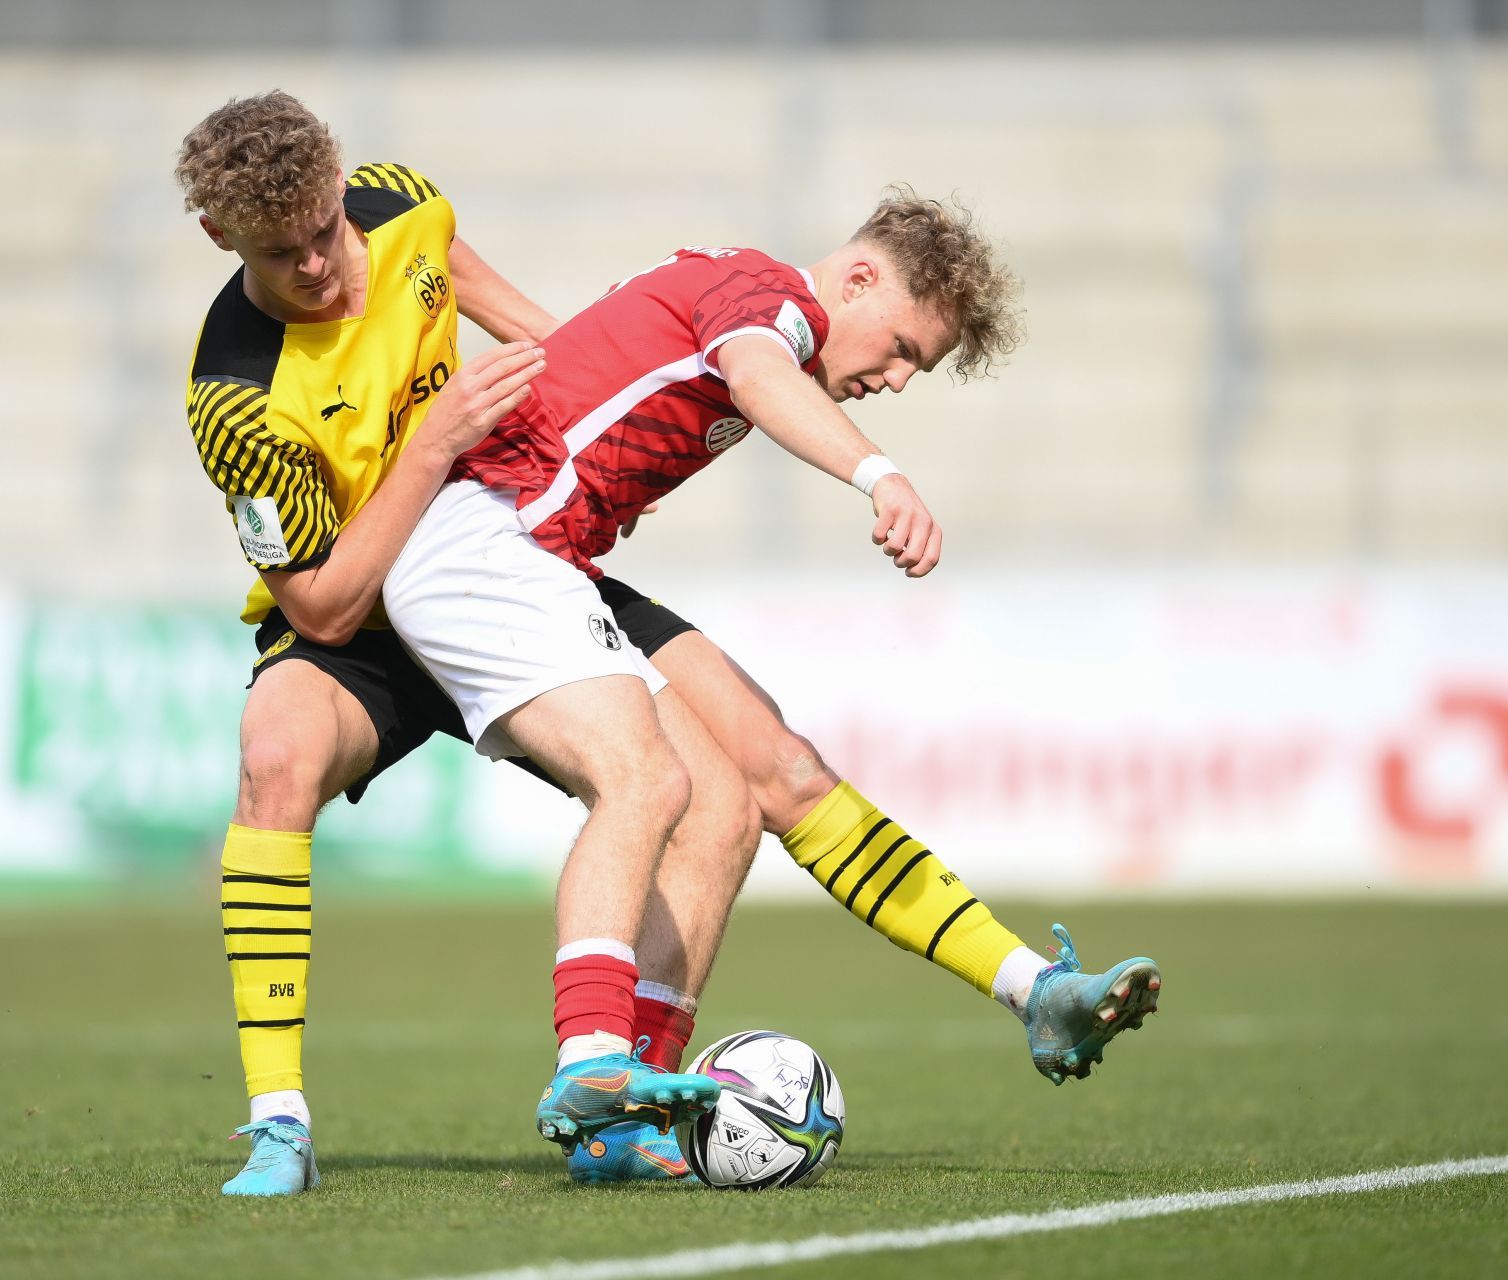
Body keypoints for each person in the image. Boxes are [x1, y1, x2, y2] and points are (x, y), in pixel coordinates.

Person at [377, 191, 1164, 1180]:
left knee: (766, 782)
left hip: (543, 552)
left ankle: (1030, 989)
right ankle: (592, 1063)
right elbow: (756, 375)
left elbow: (598, 349)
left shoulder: (733, 293)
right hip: (485, 542)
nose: (899, 378)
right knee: (655, 783)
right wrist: (881, 475)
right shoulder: (769, 301)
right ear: (861, 279)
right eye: (907, 348)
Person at [175, 92, 747, 1197]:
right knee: (274, 755)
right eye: (280, 252)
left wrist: (604, 449)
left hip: (493, 563)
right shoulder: (235, 398)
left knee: (716, 798)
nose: (319, 266)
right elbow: (326, 607)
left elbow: (535, 332)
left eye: (326, 231)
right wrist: (435, 444)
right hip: (364, 619)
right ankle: (279, 1122)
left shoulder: (402, 203)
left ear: (345, 186)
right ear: (220, 239)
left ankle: (622, 1107)